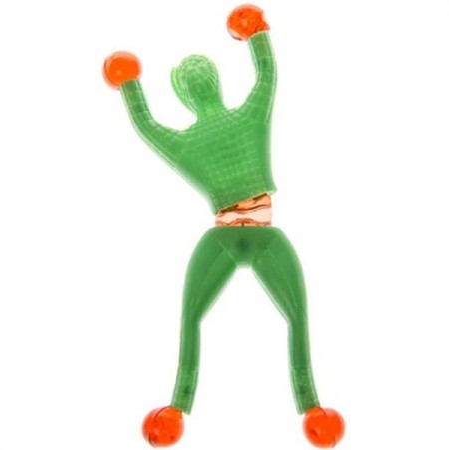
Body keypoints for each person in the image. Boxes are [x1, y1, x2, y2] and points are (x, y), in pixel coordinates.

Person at [103, 5, 344, 448]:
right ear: (211, 83)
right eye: (195, 78)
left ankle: (187, 407)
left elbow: (147, 125)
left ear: (185, 95)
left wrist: (130, 83)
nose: (198, 82)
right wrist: (255, 31)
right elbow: (267, 74)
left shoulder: (194, 140)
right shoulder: (248, 117)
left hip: (240, 236)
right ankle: (299, 407)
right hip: (253, 234)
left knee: (209, 316)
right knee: (258, 315)